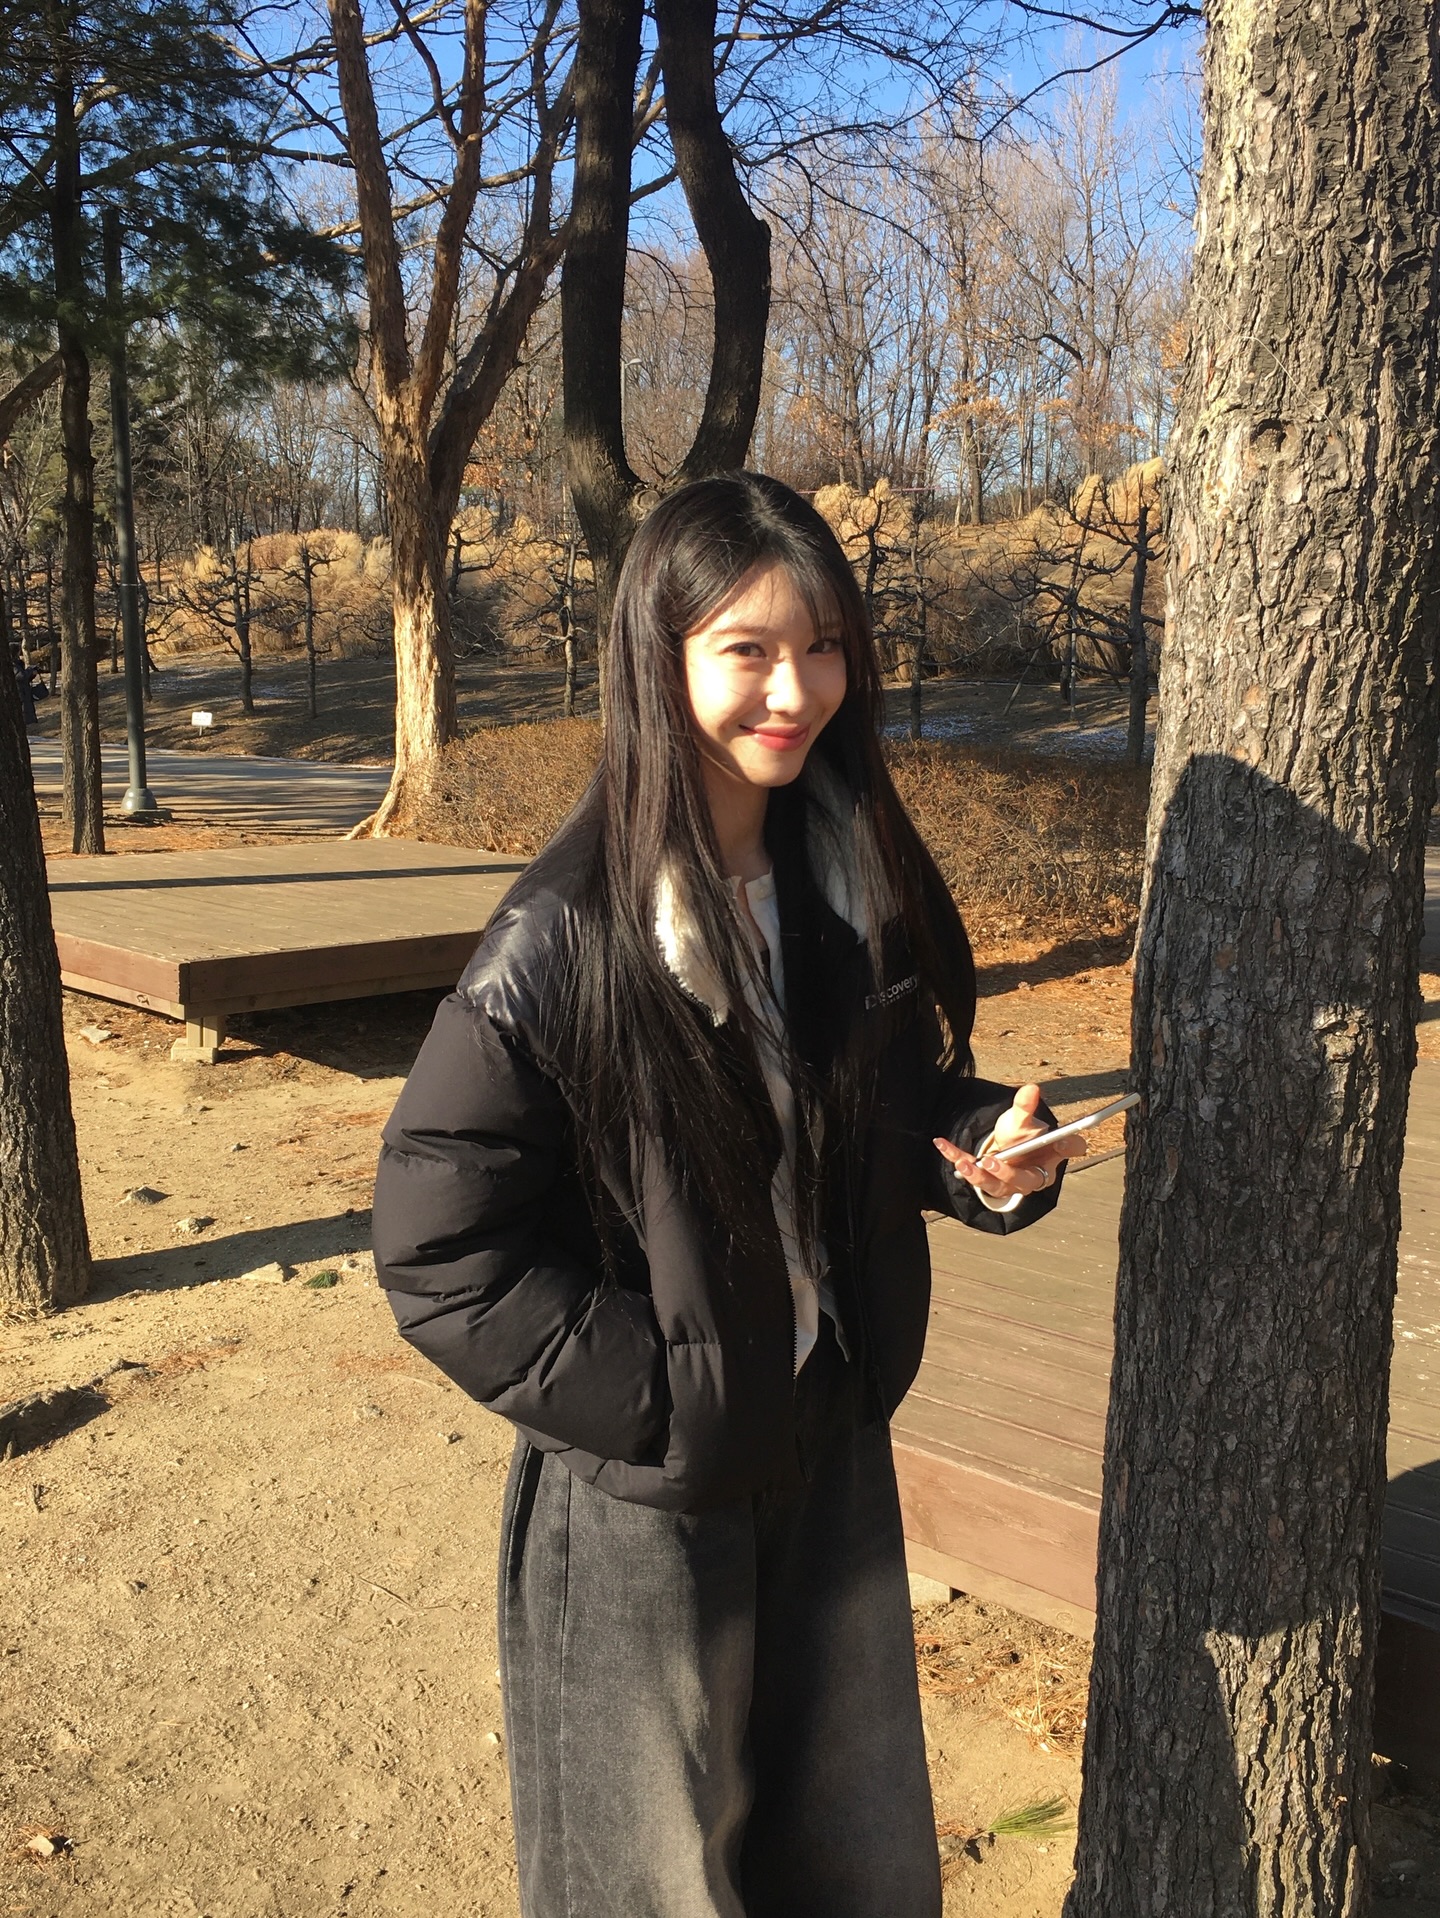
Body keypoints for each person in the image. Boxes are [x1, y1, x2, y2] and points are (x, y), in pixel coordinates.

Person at [372, 472, 1084, 1918]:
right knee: (657, 1883)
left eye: (822, 647)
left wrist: (975, 1147)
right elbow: (440, 1252)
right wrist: (670, 1400)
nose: (796, 690)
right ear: (661, 655)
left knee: (853, 1859)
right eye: (747, 649)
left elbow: (876, 1108)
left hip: (831, 1443)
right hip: (650, 1493)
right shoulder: (565, 938)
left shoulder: (840, 877)